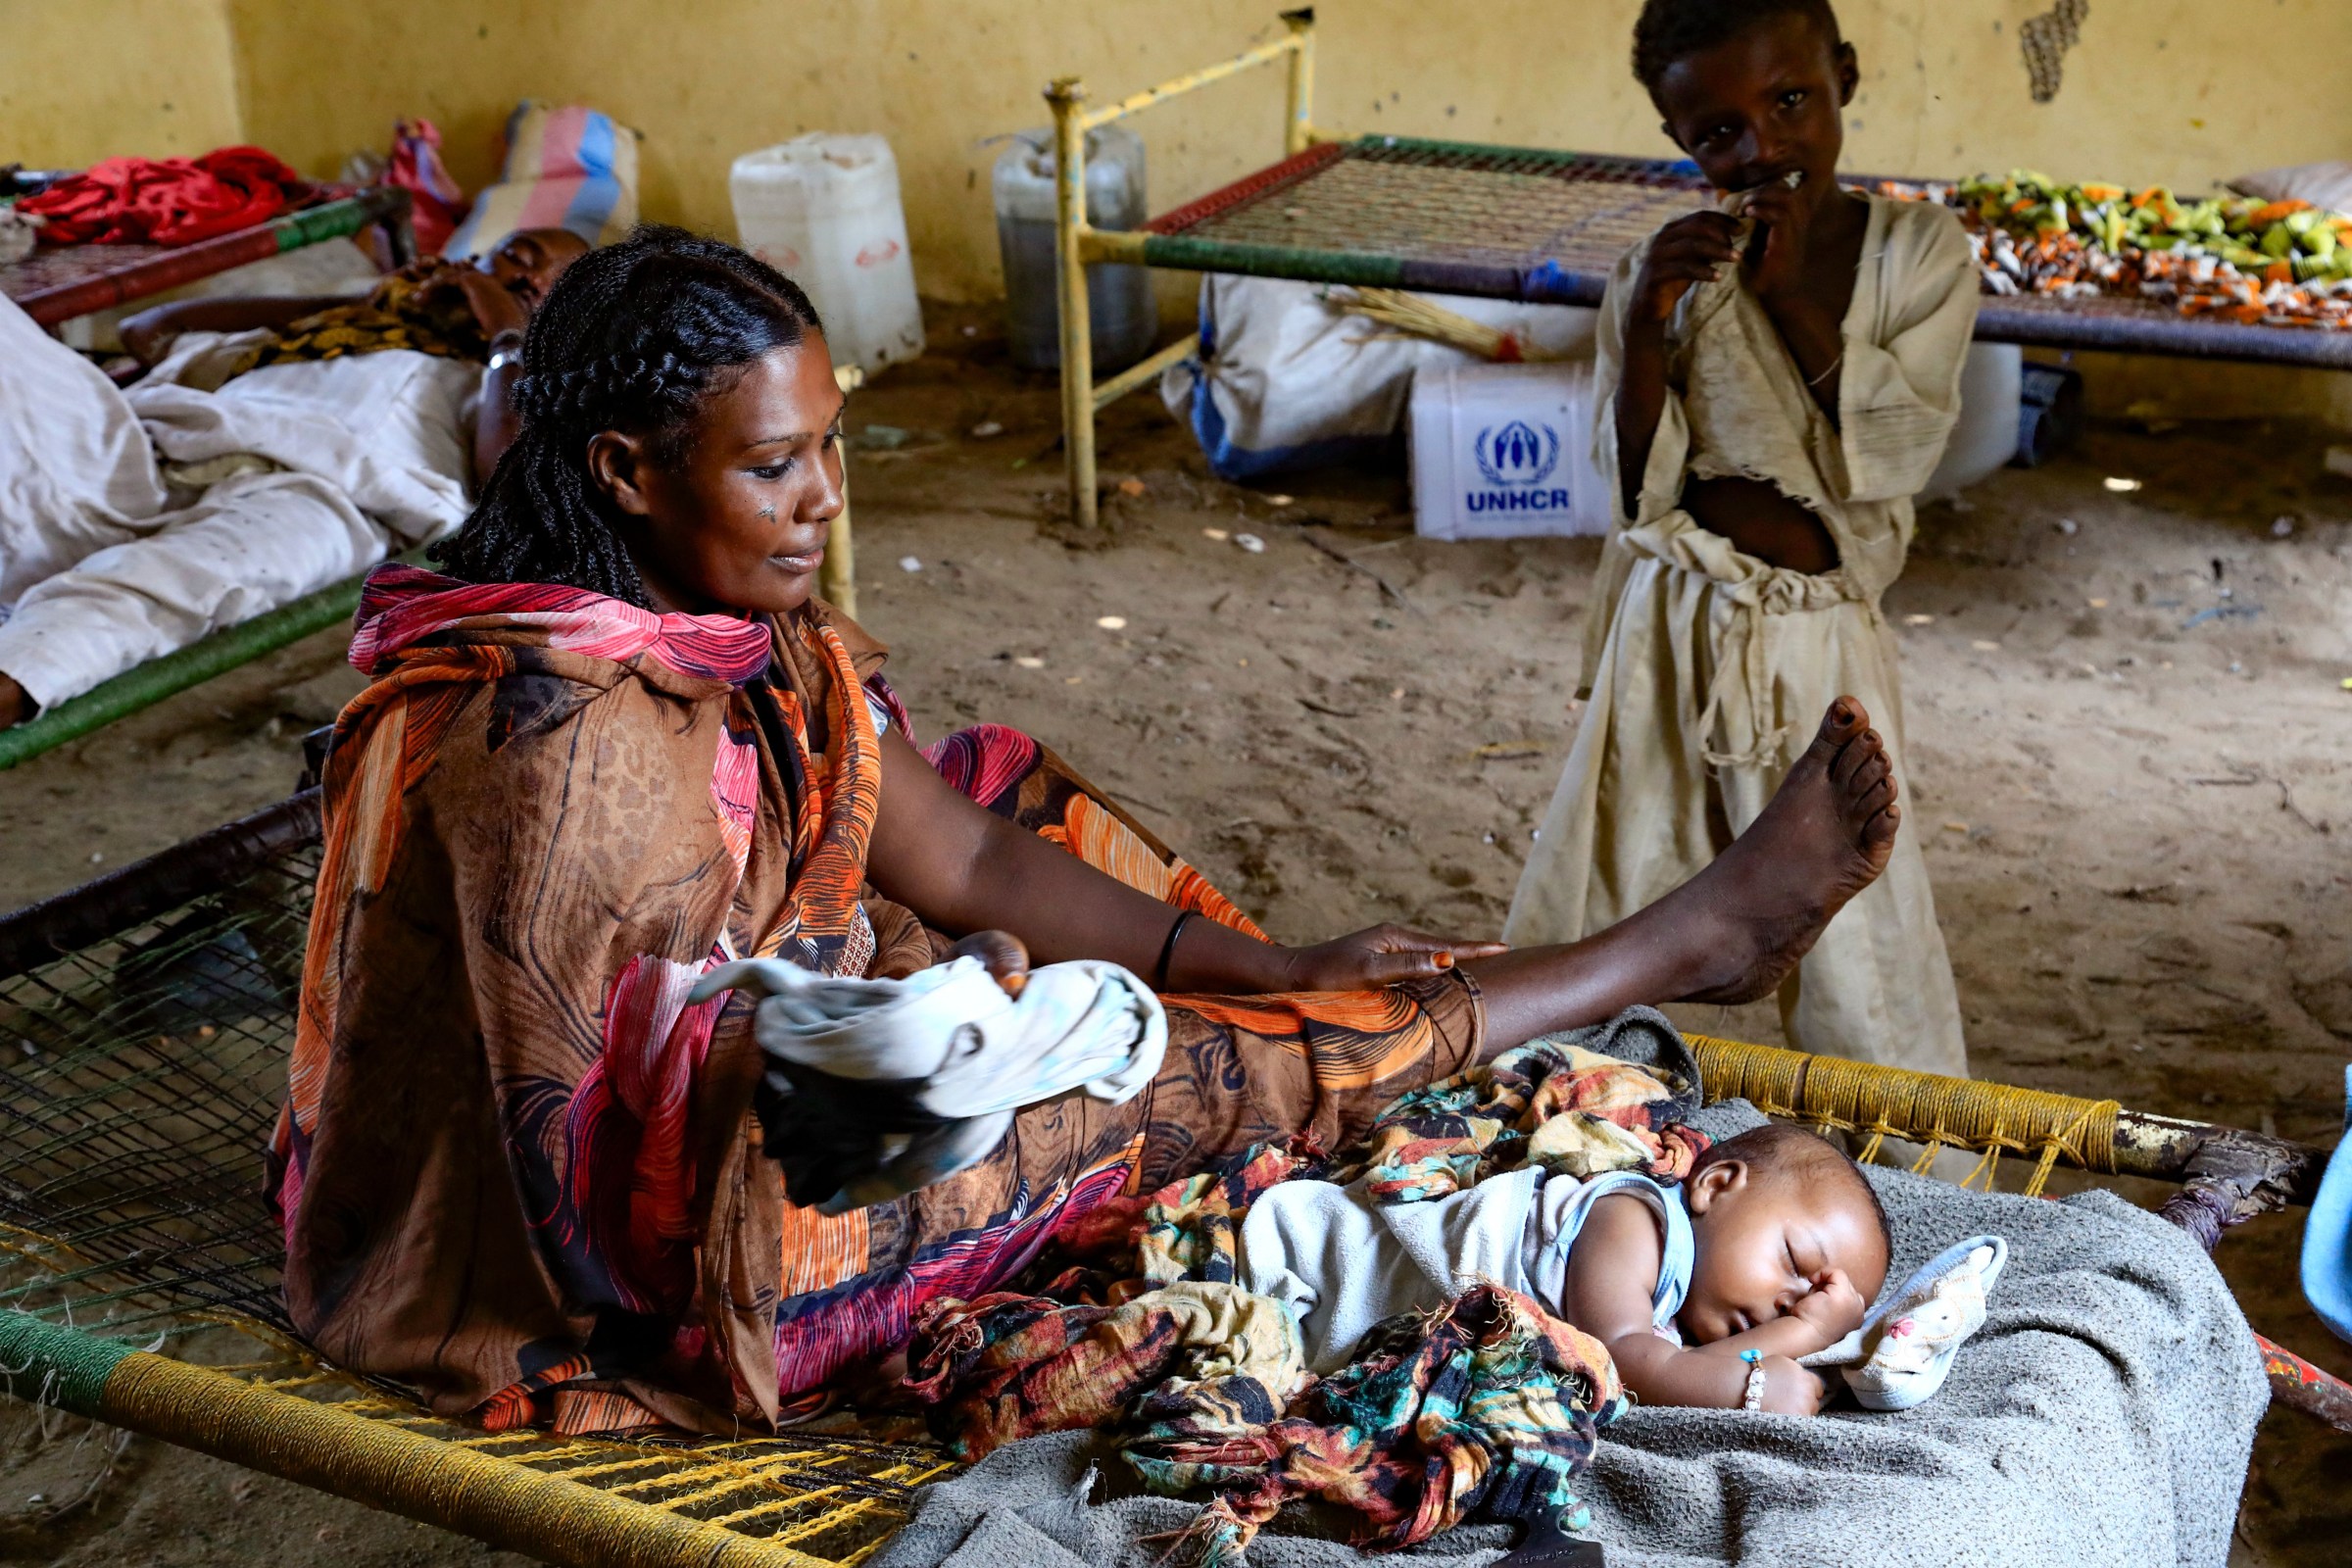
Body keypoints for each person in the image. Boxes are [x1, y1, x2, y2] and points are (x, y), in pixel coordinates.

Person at [271, 225, 1909, 1437]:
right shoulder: (543, 752)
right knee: (1151, 1085)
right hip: (670, 1256)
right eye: (776, 466)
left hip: (793, 1045)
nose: (827, 498)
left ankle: (1474, 987)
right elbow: (614, 1188)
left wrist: (1264, 959)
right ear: (624, 470)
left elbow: (967, 862)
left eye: (832, 444)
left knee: (1014, 805)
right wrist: (945, 1041)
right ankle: (1655, 952)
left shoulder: (728, 640)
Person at [1503, 0, 1978, 1078]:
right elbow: (1631, 490)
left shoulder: (1918, 255)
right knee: (1611, 889)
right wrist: (1647, 335)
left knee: (1860, 933)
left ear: (1845, 77)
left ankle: (1912, 1172)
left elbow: (1895, 454)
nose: (1761, 147)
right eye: (1719, 133)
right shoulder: (1662, 271)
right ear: (1679, 142)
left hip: (1820, 647)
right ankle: (1556, 1107)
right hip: (1670, 626)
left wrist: (1792, 293)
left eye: (1791, 102)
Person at [0, 228, 589, 730]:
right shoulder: (344, 331)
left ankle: (16, 672)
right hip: (149, 451)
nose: (529, 280)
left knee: (177, 581)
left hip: (331, 499)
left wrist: (509, 338)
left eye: (554, 291)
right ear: (470, 265)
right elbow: (149, 330)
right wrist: (366, 302)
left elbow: (507, 481)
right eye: (519, 254)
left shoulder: (506, 386)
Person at [1238, 1121, 1889, 1414]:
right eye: (1796, 1263)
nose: (1788, 1303)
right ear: (1716, 1186)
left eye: (1805, 1302)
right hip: (1304, 1255)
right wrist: (1790, 1348)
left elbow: (1675, 1368)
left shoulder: (1684, 1309)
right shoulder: (1631, 1222)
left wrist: (1788, 1346)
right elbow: (1627, 1366)